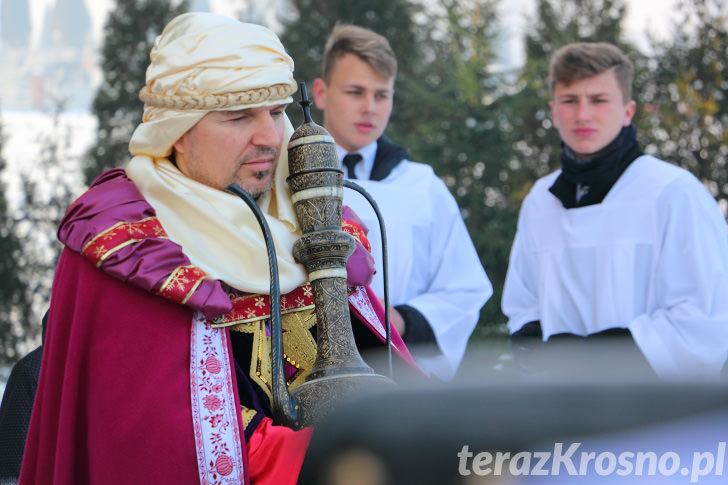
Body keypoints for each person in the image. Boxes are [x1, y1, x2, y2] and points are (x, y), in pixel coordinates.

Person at [18, 13, 416, 485]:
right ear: (178, 133)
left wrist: (436, 428)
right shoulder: (132, 247)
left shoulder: (310, 217)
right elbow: (162, 445)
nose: (270, 138)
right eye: (238, 116)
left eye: (274, 111)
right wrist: (352, 456)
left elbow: (391, 373)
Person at [502, 42, 728, 379]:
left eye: (599, 100)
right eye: (569, 100)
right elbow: (523, 305)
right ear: (553, 110)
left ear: (628, 110)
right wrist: (540, 353)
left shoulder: (674, 193)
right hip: (558, 409)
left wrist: (589, 359)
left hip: (649, 411)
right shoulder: (541, 200)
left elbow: (705, 320)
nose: (582, 115)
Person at [312, 25, 492, 381]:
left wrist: (404, 319)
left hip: (398, 372)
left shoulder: (422, 186)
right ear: (321, 92)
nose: (369, 108)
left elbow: (464, 287)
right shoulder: (283, 179)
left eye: (382, 95)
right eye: (355, 92)